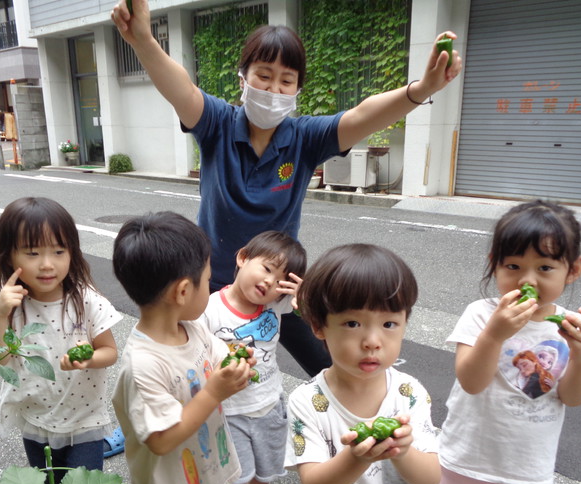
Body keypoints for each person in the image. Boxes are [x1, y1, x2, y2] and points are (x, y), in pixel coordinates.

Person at [110, 0, 463, 378]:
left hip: (281, 287)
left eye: (286, 80)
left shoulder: (305, 138)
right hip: (210, 288)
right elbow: (181, 89)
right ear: (242, 78)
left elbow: (363, 115)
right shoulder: (216, 124)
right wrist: (143, 40)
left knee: (333, 368)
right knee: (193, 375)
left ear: (297, 88)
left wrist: (423, 88)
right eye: (264, 75)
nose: (274, 88)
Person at [418, 200, 581, 484]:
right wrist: (496, 335)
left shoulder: (570, 328)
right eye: (513, 266)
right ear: (494, 264)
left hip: (526, 470)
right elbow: (471, 380)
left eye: (545, 268)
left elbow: (574, 395)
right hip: (467, 464)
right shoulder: (482, 316)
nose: (526, 280)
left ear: (574, 270)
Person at [0, 196, 138, 484]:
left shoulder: (84, 299)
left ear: (73, 252)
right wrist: (0, 315)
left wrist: (85, 360)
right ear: (10, 254)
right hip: (34, 421)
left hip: (84, 419)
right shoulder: (8, 304)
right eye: (32, 252)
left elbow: (110, 351)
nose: (46, 264)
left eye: (58, 251)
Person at [110, 211, 258, 484]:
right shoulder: (143, 365)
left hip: (213, 476)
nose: (213, 287)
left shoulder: (194, 328)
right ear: (181, 291)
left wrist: (237, 363)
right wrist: (213, 393)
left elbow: (219, 358)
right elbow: (160, 440)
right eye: (208, 280)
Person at [284, 244, 441, 484]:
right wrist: (356, 457)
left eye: (389, 324)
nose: (372, 341)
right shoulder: (308, 402)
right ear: (319, 326)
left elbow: (430, 479)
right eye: (352, 323)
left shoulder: (409, 393)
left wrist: (402, 451)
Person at [201, 230, 306, 484]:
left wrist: (306, 298)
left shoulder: (278, 305)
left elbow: (318, 317)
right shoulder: (209, 309)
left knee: (271, 467)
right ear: (243, 257)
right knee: (239, 474)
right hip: (230, 410)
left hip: (270, 402)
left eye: (280, 280)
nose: (270, 283)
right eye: (266, 268)